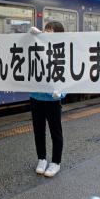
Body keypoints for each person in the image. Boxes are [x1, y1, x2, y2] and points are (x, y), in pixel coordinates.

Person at [29, 21, 66, 177]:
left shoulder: (62, 52)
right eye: (46, 30)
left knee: (55, 131)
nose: (47, 33)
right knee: (38, 131)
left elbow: (68, 76)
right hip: (36, 96)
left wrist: (61, 93)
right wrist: (31, 37)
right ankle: (42, 159)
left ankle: (55, 162)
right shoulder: (38, 49)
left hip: (52, 99)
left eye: (50, 31)